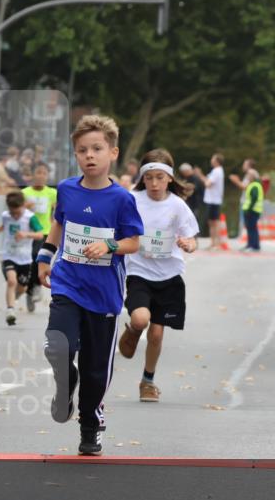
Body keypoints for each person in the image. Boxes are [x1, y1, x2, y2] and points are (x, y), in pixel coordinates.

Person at [36, 115, 144, 455]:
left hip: (104, 294)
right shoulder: (66, 189)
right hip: (68, 282)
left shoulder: (122, 199)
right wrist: (44, 256)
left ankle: (89, 424)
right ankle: (65, 384)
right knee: (58, 346)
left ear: (112, 152)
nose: (89, 156)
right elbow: (58, 224)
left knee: (96, 370)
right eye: (82, 150)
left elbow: (134, 243)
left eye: (97, 149)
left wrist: (109, 246)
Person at [117, 149, 199, 402]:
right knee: (141, 320)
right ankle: (132, 330)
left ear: (170, 179)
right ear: (142, 177)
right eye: (149, 177)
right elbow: (118, 227)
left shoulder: (177, 205)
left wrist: (188, 244)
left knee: (156, 333)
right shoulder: (133, 199)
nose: (154, 183)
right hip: (139, 271)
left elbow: (192, 239)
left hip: (169, 276)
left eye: (160, 178)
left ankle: (148, 381)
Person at [0, 191, 44, 325]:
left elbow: (40, 235)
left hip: (25, 258)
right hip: (9, 255)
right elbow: (3, 225)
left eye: (17, 212)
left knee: (22, 288)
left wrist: (26, 234)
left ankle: (15, 297)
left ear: (23, 206)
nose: (15, 216)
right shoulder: (6, 216)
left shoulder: (30, 217)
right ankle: (10, 311)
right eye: (13, 213)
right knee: (12, 281)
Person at [22, 161, 58, 308]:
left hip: (44, 232)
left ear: (47, 176)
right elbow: (16, 211)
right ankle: (30, 291)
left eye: (44, 173)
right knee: (30, 262)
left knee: (38, 258)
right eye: (38, 172)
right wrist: (25, 206)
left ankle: (36, 287)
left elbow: (58, 212)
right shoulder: (25, 193)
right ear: (32, 175)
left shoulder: (52, 193)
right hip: (28, 232)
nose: (41, 176)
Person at [230, 158, 263, 252]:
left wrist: (236, 181)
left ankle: (253, 245)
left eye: (244, 164)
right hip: (248, 206)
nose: (243, 166)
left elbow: (249, 191)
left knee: (251, 227)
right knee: (249, 226)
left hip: (250, 208)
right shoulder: (253, 181)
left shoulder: (252, 175)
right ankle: (250, 244)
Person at [200, 153, 225, 250]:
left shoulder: (217, 171)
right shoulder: (217, 171)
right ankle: (213, 243)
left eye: (212, 159)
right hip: (213, 200)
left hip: (214, 200)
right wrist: (200, 175)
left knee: (215, 222)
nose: (211, 160)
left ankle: (216, 244)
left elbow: (208, 184)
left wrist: (201, 177)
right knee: (211, 222)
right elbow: (208, 181)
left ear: (217, 161)